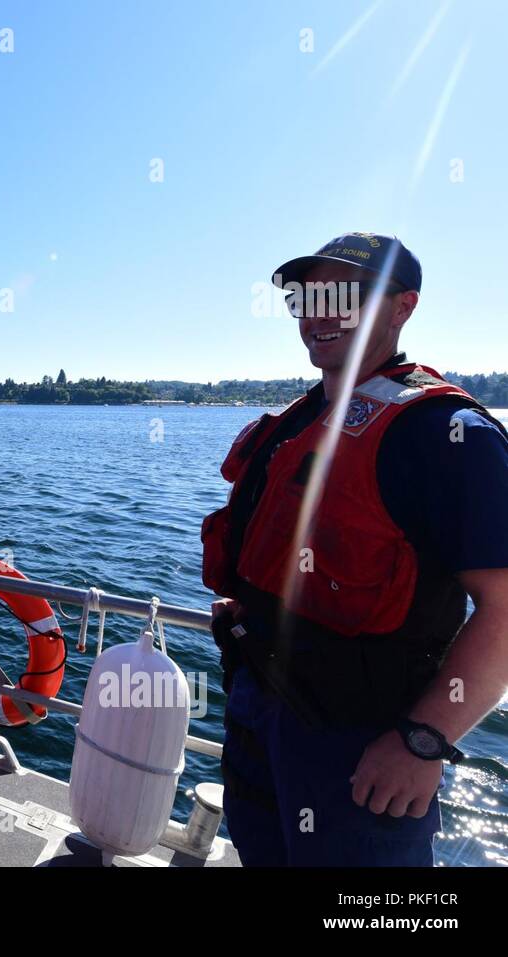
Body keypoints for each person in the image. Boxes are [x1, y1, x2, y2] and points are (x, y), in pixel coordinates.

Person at [202, 232, 508, 866]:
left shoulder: (445, 435)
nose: (318, 313)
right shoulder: (299, 419)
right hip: (260, 707)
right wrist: (251, 610)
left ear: (404, 306)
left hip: (362, 750)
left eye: (345, 293)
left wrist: (424, 740)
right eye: (304, 296)